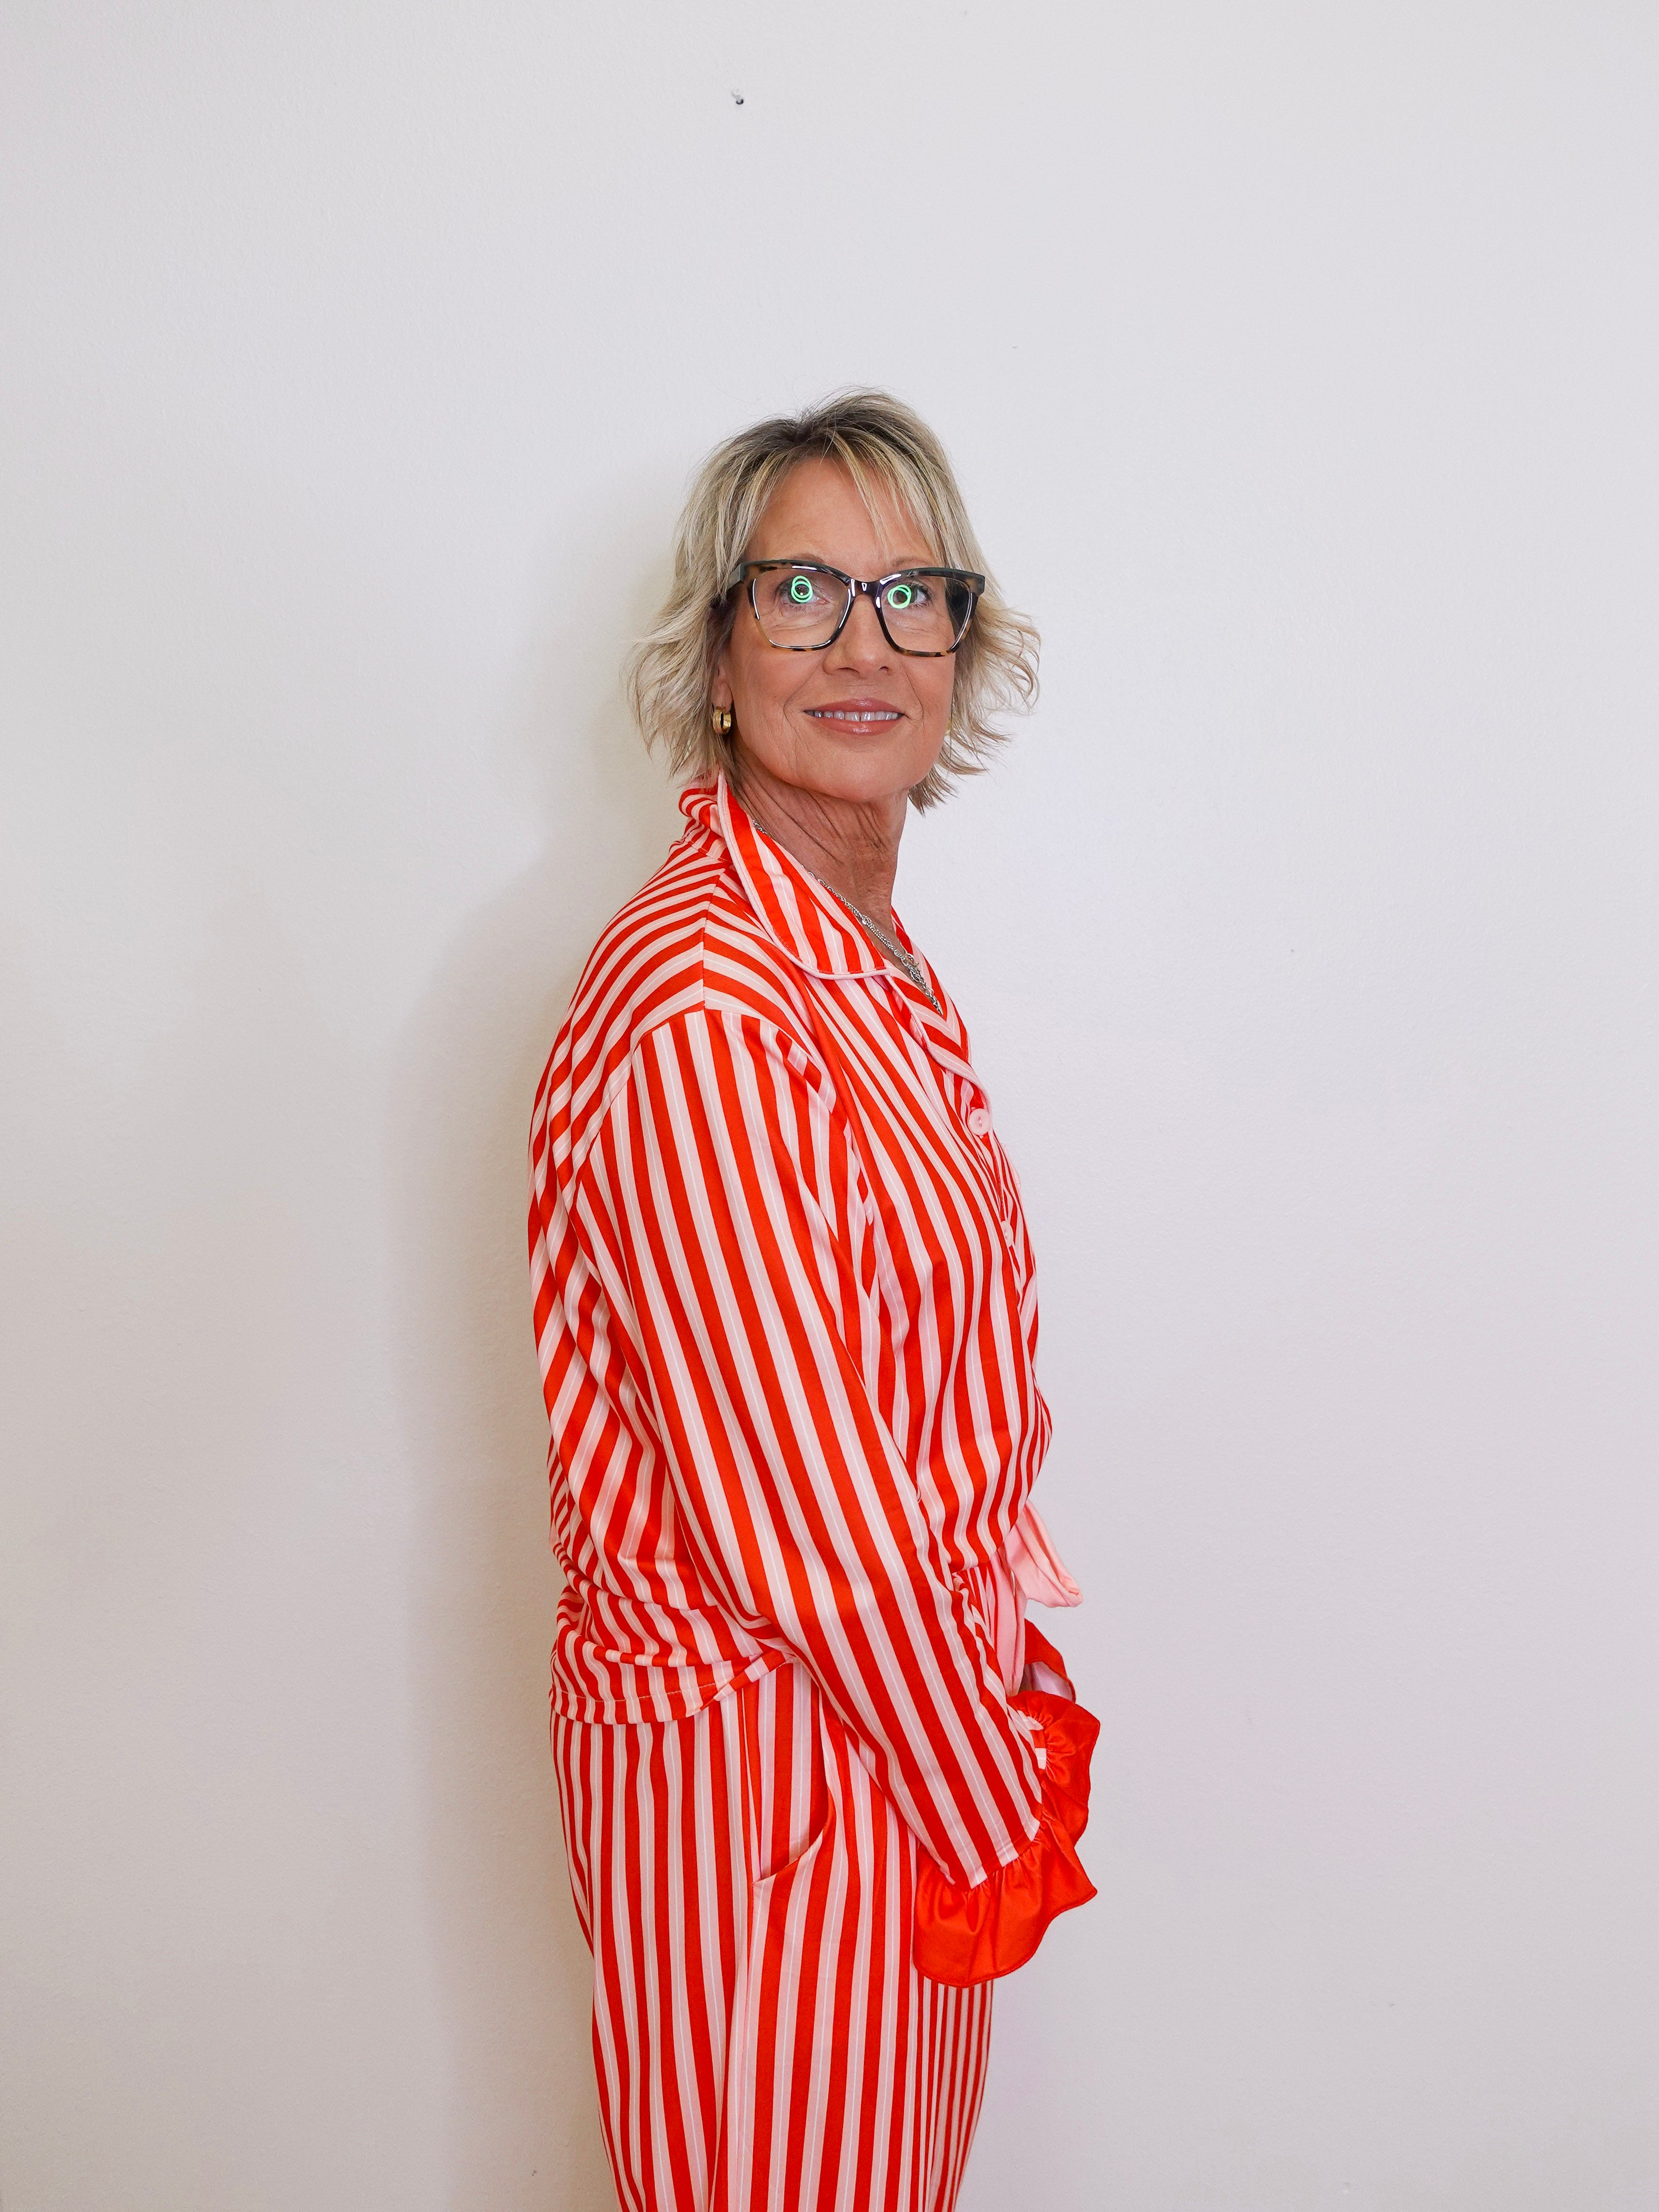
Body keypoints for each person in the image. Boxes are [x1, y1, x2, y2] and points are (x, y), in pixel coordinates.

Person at [527, 390, 1098, 2212]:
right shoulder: (709, 1011)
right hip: (779, 1807)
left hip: (890, 1766)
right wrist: (993, 1792)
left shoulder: (862, 967)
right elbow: (810, 1530)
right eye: (799, 594)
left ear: (961, 645)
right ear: (712, 656)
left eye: (910, 594)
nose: (864, 645)